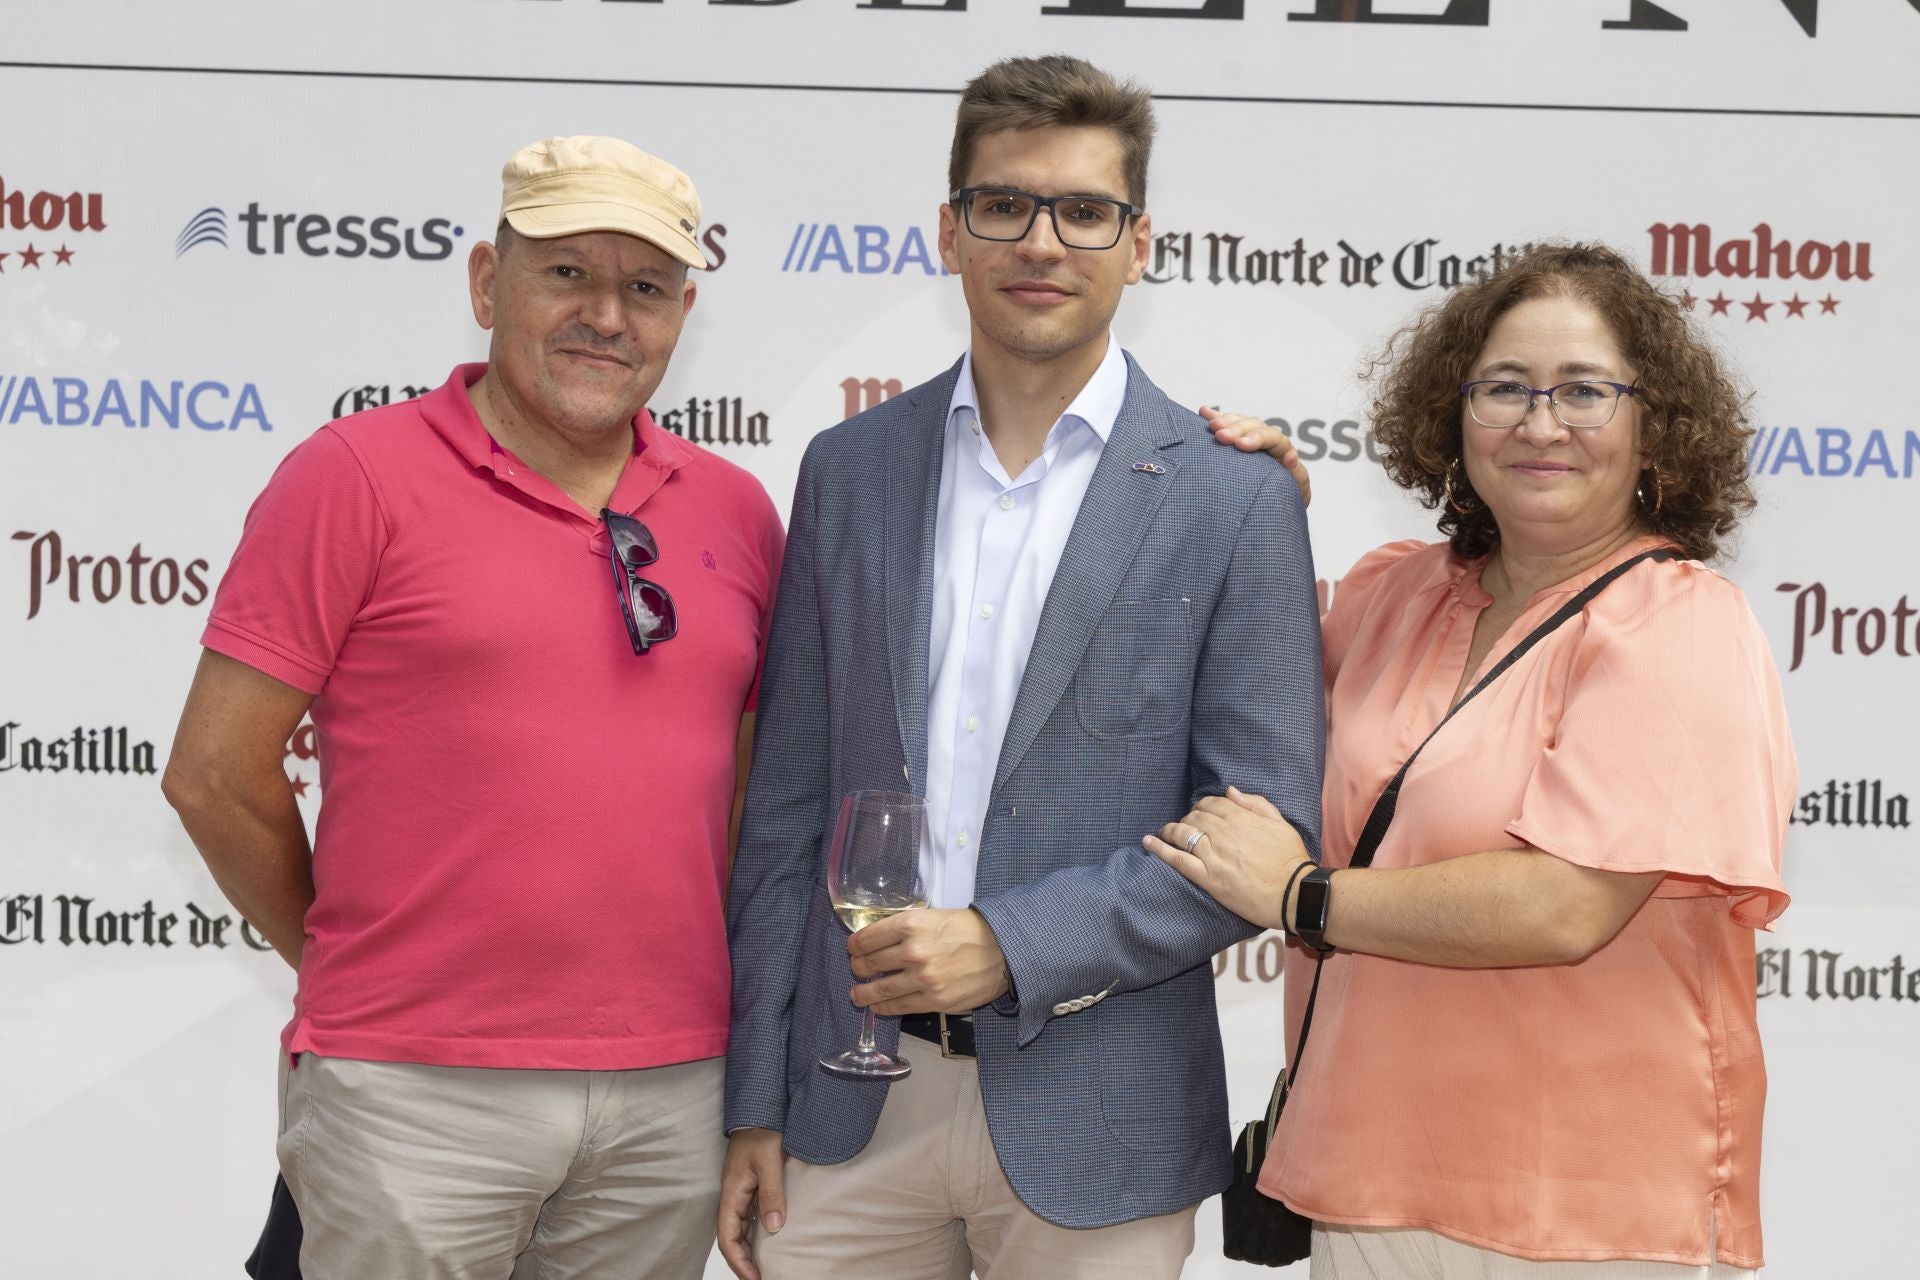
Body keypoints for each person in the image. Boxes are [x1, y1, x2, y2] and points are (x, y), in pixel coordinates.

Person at [717, 55, 1324, 1280]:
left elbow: (1261, 833)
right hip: (848, 1106)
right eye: (1004, 204)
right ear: (951, 231)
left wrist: (1010, 941)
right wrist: (753, 1101)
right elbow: (784, 814)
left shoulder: (1234, 497)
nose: (1041, 241)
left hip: (1104, 1117)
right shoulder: (847, 469)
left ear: (1138, 243)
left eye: (1084, 210)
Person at [162, 135, 784, 1280]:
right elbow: (212, 772)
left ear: (683, 313)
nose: (607, 316)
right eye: (567, 273)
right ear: (489, 282)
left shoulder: (738, 509)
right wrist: (354, 964)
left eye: (646, 288)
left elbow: (750, 798)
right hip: (414, 1091)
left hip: (671, 1093)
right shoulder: (352, 474)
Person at [1153, 242, 1794, 1279]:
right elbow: (1231, 698)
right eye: (1504, 388)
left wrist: (1303, 898)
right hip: (1362, 1184)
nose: (1540, 425)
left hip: (1587, 1214)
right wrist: (1253, 513)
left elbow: (1566, 904)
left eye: (1584, 390)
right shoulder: (1391, 594)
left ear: (1655, 425)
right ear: (1452, 415)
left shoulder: (1683, 625)